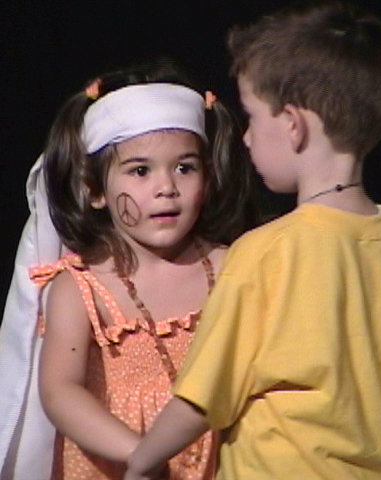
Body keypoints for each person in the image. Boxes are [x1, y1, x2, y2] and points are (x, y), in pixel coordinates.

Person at [125, 3, 381, 480]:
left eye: (251, 117)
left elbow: (203, 395)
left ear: (292, 124)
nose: (245, 138)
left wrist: (141, 463)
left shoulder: (264, 252)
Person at [0, 59, 256, 480]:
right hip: (115, 464)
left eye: (185, 167)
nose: (166, 187)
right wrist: (140, 454)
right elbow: (60, 391)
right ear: (95, 189)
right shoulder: (81, 287)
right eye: (140, 170)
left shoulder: (232, 266)